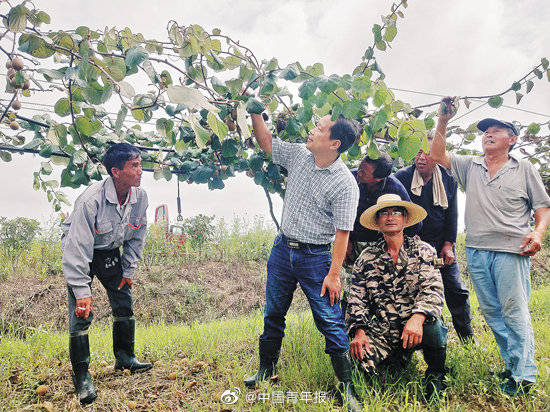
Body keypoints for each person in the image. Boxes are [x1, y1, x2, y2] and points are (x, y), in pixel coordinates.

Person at [429, 98, 550, 395]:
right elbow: (437, 153)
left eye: (496, 130)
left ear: (512, 139)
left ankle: (524, 376)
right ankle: (512, 365)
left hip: (511, 249)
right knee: (493, 312)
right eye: (485, 131)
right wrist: (443, 120)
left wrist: (537, 234)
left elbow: (543, 208)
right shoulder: (471, 166)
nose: (488, 134)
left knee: (514, 311)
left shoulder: (524, 169)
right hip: (476, 249)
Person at [244, 111, 361, 411]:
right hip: (283, 249)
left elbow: (342, 233)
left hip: (316, 257)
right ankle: (265, 369)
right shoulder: (298, 156)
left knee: (330, 320)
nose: (311, 131)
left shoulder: (345, 184)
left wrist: (334, 275)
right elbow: (267, 143)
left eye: (319, 128)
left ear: (334, 143)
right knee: (273, 313)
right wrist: (256, 112)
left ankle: (347, 388)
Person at [61, 143, 152, 404]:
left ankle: (125, 359)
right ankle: (82, 379)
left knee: (124, 302)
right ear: (115, 171)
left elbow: (137, 235)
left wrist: (130, 268)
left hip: (109, 251)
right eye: (134, 166)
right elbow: (76, 247)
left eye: (140, 164)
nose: (140, 171)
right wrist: (81, 290)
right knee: (81, 313)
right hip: (82, 252)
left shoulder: (140, 197)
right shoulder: (91, 201)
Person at [346, 194, 448, 400]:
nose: (390, 217)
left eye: (396, 212)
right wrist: (359, 331)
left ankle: (436, 373)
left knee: (433, 326)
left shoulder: (424, 251)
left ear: (405, 219)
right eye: (384, 212)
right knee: (354, 363)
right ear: (377, 221)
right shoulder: (366, 258)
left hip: (417, 327)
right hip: (384, 329)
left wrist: (417, 318)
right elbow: (356, 300)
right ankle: (397, 358)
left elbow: (434, 290)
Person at [395, 137, 474, 341]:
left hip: (440, 245)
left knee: (456, 291)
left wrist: (449, 244)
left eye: (427, 153)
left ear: (437, 156)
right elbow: (394, 212)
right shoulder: (401, 177)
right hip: (409, 246)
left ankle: (468, 340)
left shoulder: (448, 178)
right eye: (418, 152)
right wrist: (408, 237)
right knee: (409, 293)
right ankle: (411, 343)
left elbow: (452, 214)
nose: (421, 157)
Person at [342, 153, 421, 314]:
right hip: (352, 240)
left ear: (377, 179)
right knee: (351, 291)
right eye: (360, 167)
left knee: (380, 291)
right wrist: (345, 241)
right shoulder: (349, 178)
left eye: (364, 172)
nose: (359, 172)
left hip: (381, 244)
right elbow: (336, 211)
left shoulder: (394, 188)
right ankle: (350, 331)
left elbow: (413, 225)